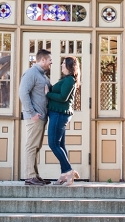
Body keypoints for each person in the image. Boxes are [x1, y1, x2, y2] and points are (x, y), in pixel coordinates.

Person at [19, 49, 52, 186]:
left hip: (41, 117)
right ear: (42, 60)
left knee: (36, 147)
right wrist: (32, 113)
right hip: (35, 118)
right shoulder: (31, 73)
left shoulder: (42, 75)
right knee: (31, 146)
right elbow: (23, 93)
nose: (51, 63)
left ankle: (35, 176)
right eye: (49, 60)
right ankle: (29, 176)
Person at [47, 56, 81, 186]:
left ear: (69, 66)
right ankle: (65, 175)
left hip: (59, 115)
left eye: (63, 63)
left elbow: (62, 97)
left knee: (53, 144)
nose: (61, 65)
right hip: (58, 114)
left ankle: (68, 170)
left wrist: (47, 93)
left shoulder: (69, 80)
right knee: (60, 146)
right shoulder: (66, 80)